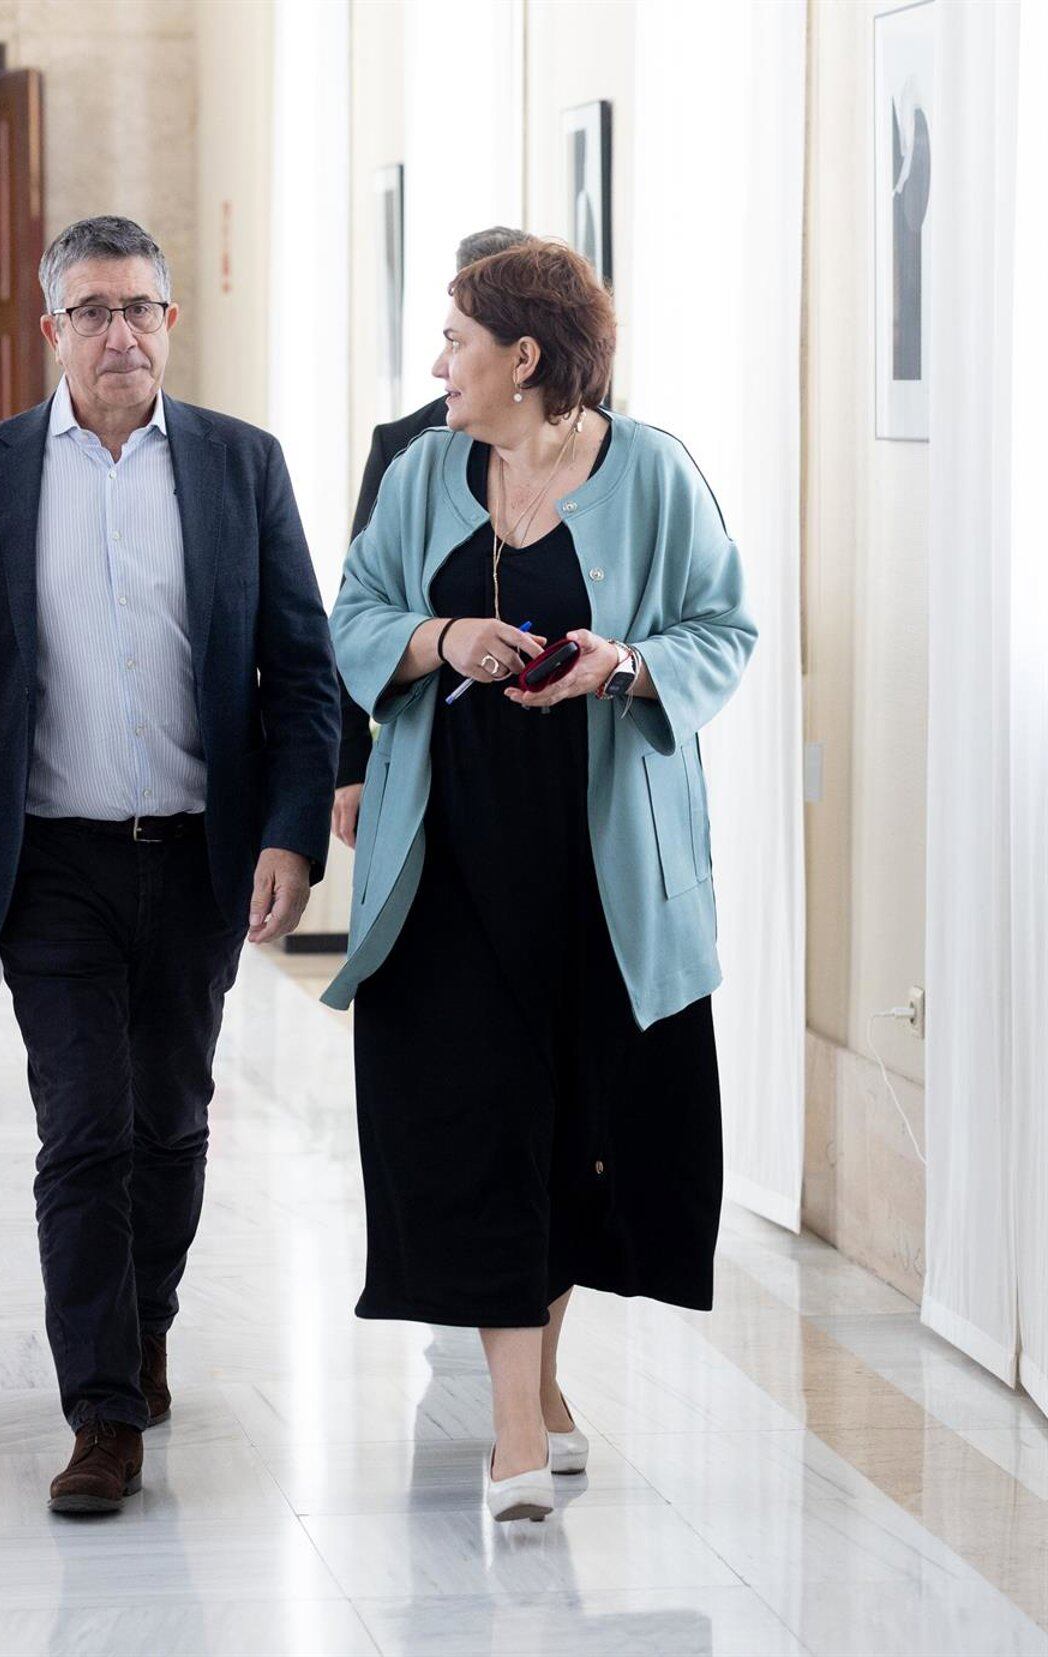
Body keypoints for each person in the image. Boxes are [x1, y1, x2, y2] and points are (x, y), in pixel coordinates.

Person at [0, 215, 339, 1515]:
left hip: (198, 855)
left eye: (140, 308)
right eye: (91, 311)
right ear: (51, 332)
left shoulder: (237, 466)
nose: (120, 333)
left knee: (173, 1120)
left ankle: (147, 1317)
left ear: (169, 323)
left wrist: (290, 834)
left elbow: (303, 674)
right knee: (83, 1127)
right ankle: (100, 1412)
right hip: (49, 865)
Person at [325, 241, 756, 1523]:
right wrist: (437, 636)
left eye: (457, 338)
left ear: (524, 357)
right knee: (470, 1125)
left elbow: (724, 628)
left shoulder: (657, 472)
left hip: (600, 873)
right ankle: (516, 1429)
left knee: (574, 1134)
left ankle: (541, 1386)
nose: (438, 362)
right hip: (446, 861)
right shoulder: (419, 472)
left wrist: (624, 664)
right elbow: (350, 611)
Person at [333, 227, 535, 849]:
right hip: (437, 744)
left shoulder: (617, 450)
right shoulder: (406, 449)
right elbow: (354, 607)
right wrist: (348, 767)